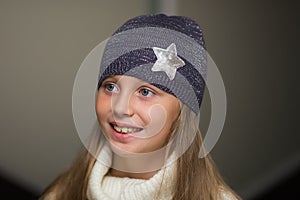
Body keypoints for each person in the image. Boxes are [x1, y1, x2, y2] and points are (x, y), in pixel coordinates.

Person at [39, 14, 242, 200]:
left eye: (145, 92)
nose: (120, 108)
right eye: (111, 86)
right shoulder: (61, 193)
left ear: (182, 111)